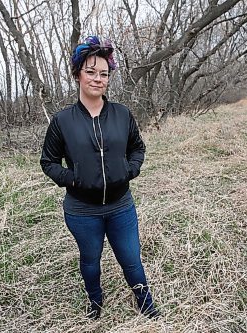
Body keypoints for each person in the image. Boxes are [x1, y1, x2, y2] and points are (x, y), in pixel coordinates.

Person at [40, 36, 159, 320]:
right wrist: (74, 178)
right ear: (77, 74)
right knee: (90, 260)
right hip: (82, 211)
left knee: (131, 260)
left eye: (104, 73)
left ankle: (146, 303)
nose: (98, 79)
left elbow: (137, 149)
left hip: (121, 206)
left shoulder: (122, 114)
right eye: (90, 72)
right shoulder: (63, 120)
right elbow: (48, 162)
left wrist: (129, 170)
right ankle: (95, 303)